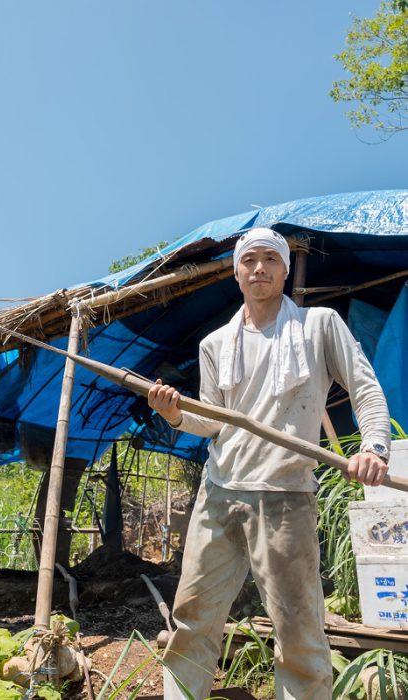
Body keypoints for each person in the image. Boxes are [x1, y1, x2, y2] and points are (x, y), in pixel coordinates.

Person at [148, 228, 391, 700]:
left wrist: (374, 448)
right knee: (193, 619)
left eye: (269, 259)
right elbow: (212, 421)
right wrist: (176, 414)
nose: (259, 268)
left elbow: (365, 388)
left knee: (298, 630)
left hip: (285, 498)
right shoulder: (215, 343)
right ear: (236, 273)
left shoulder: (318, 326)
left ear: (283, 268)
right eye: (249, 260)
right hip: (219, 494)